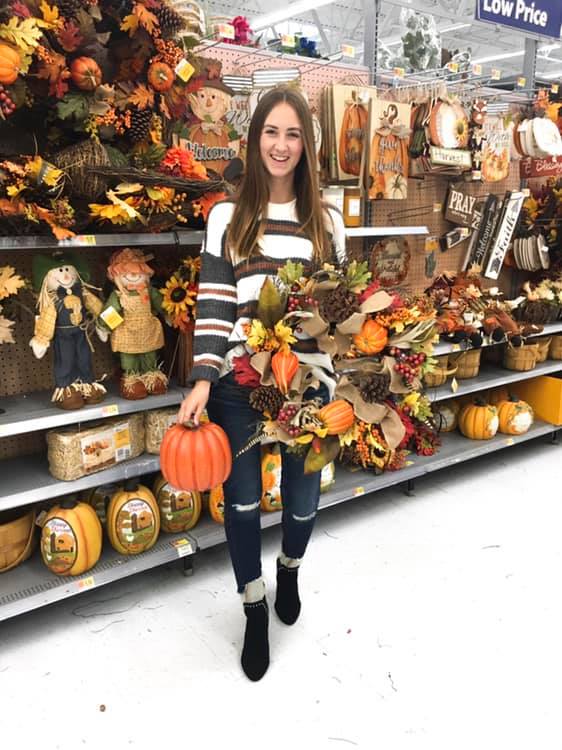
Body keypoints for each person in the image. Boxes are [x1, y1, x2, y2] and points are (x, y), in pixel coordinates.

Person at [178, 85, 346, 681]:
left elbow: (337, 308)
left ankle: (290, 570)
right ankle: (253, 604)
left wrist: (340, 374)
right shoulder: (228, 216)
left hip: (306, 383)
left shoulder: (326, 220)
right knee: (243, 501)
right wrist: (202, 378)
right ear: (254, 141)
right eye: (271, 133)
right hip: (239, 381)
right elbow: (216, 305)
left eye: (293, 133)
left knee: (303, 494)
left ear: (307, 144)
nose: (281, 145)